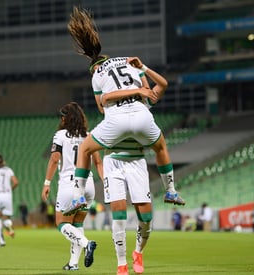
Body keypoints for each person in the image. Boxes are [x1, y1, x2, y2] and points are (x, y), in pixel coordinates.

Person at [65, 6, 185, 215]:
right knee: (161, 148)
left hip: (118, 125)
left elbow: (102, 103)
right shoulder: (137, 81)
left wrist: (126, 93)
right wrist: (143, 70)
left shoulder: (97, 73)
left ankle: (78, 196)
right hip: (143, 120)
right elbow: (160, 85)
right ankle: (171, 190)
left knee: (85, 149)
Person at [100, 55, 172, 274]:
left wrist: (143, 69)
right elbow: (102, 99)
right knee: (118, 214)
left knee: (147, 218)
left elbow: (162, 84)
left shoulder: (145, 103)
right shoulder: (112, 103)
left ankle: (138, 252)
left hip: (137, 161)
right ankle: (121, 263)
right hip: (114, 160)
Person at [41, 102, 103, 270]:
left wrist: (47, 183)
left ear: (66, 118)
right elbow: (98, 162)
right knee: (77, 224)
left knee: (62, 223)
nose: (61, 118)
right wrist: (105, 182)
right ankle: (73, 263)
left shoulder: (60, 135)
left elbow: (54, 159)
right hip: (88, 183)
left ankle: (86, 243)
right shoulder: (89, 135)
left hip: (70, 183)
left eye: (63, 115)